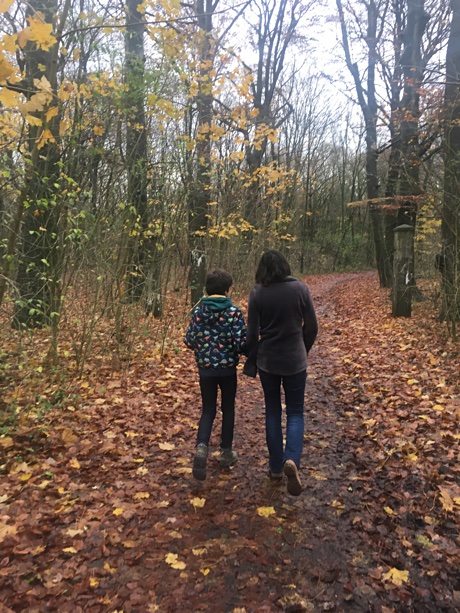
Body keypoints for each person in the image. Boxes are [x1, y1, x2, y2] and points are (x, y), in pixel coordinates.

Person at [246, 250, 318, 496]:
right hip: (295, 360)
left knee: (273, 411)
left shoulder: (257, 293)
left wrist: (250, 355)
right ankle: (292, 460)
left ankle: (276, 468)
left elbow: (251, 334)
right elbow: (312, 327)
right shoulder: (300, 289)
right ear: (285, 266)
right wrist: (303, 349)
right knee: (296, 412)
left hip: (268, 361)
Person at [184, 269, 246, 481]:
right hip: (227, 370)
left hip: (206, 371)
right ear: (227, 290)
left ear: (207, 290)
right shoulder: (234, 312)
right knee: (228, 408)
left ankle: (201, 447)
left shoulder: (198, 311)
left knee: (208, 409)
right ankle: (226, 452)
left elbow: (189, 340)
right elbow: (241, 343)